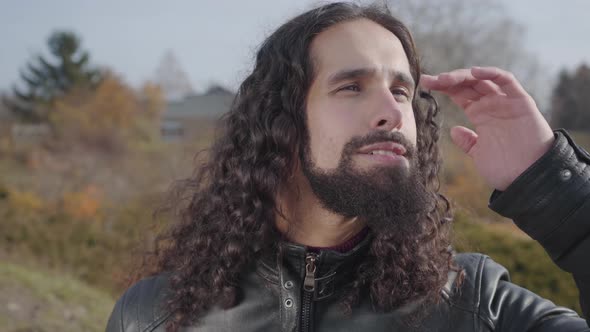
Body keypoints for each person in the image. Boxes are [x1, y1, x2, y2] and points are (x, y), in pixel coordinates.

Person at [106, 2, 590, 331]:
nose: (393, 110)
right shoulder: (153, 315)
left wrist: (557, 188)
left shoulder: (471, 304)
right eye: (352, 86)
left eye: (401, 90)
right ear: (283, 122)